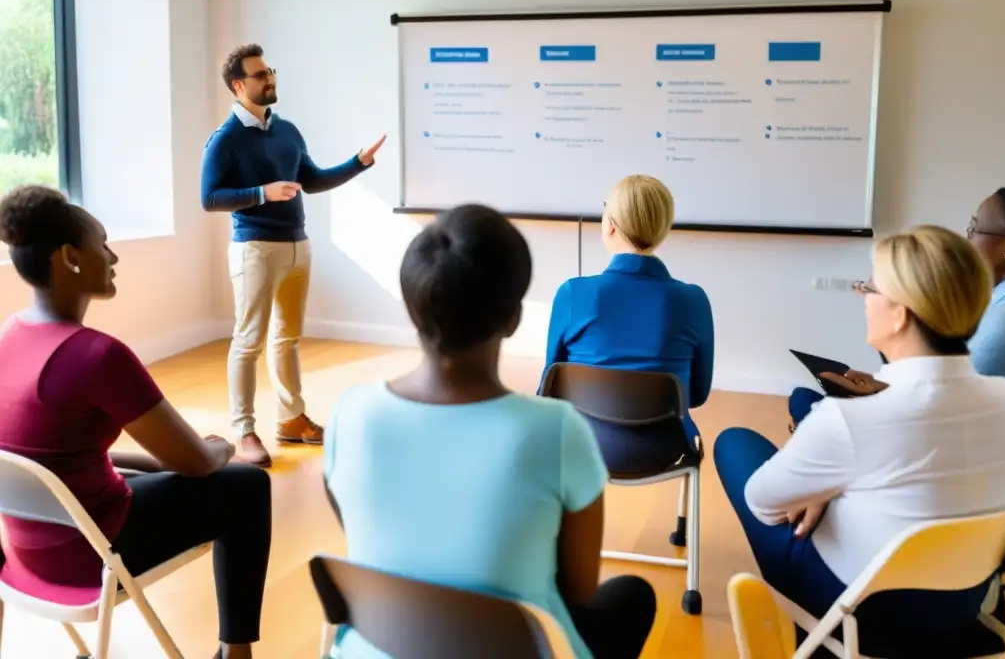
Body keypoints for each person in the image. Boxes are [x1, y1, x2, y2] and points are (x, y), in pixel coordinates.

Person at [322, 204, 656, 659]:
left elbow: (369, 542)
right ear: (514, 318)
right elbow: (577, 590)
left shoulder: (350, 415)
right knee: (632, 595)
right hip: (517, 647)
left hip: (379, 647)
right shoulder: (557, 431)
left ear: (414, 306)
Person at [715, 225, 1005, 657]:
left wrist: (828, 489)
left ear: (899, 313)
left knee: (734, 443)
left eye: (870, 287)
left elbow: (764, 505)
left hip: (865, 616)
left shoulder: (851, 417)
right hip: (965, 606)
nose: (863, 296)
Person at [0, 186, 272, 659]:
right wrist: (221, 447)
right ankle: (236, 655)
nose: (113, 257)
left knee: (160, 473)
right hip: (89, 554)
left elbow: (49, 460)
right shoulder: (98, 356)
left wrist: (153, 465)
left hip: (24, 551)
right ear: (70, 257)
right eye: (102, 244)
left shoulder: (9, 335)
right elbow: (196, 464)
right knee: (246, 486)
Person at [200, 43, 386, 467]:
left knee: (287, 339)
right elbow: (209, 198)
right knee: (248, 342)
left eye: (271, 71)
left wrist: (357, 163)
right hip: (254, 248)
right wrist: (260, 194)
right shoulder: (225, 139)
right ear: (238, 85)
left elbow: (313, 180)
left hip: (297, 244)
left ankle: (291, 420)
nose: (270, 79)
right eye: (260, 74)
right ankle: (244, 429)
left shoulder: (286, 130)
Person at [788, 187, 1005, 427]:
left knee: (803, 403)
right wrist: (883, 386)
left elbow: (940, 408)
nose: (967, 239)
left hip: (931, 433)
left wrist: (871, 398)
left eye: (974, 229)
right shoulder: (1002, 304)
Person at [540, 175, 714, 475]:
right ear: (663, 230)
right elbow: (696, 395)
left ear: (610, 225)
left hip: (580, 443)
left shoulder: (572, 294)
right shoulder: (692, 300)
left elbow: (549, 388)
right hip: (667, 447)